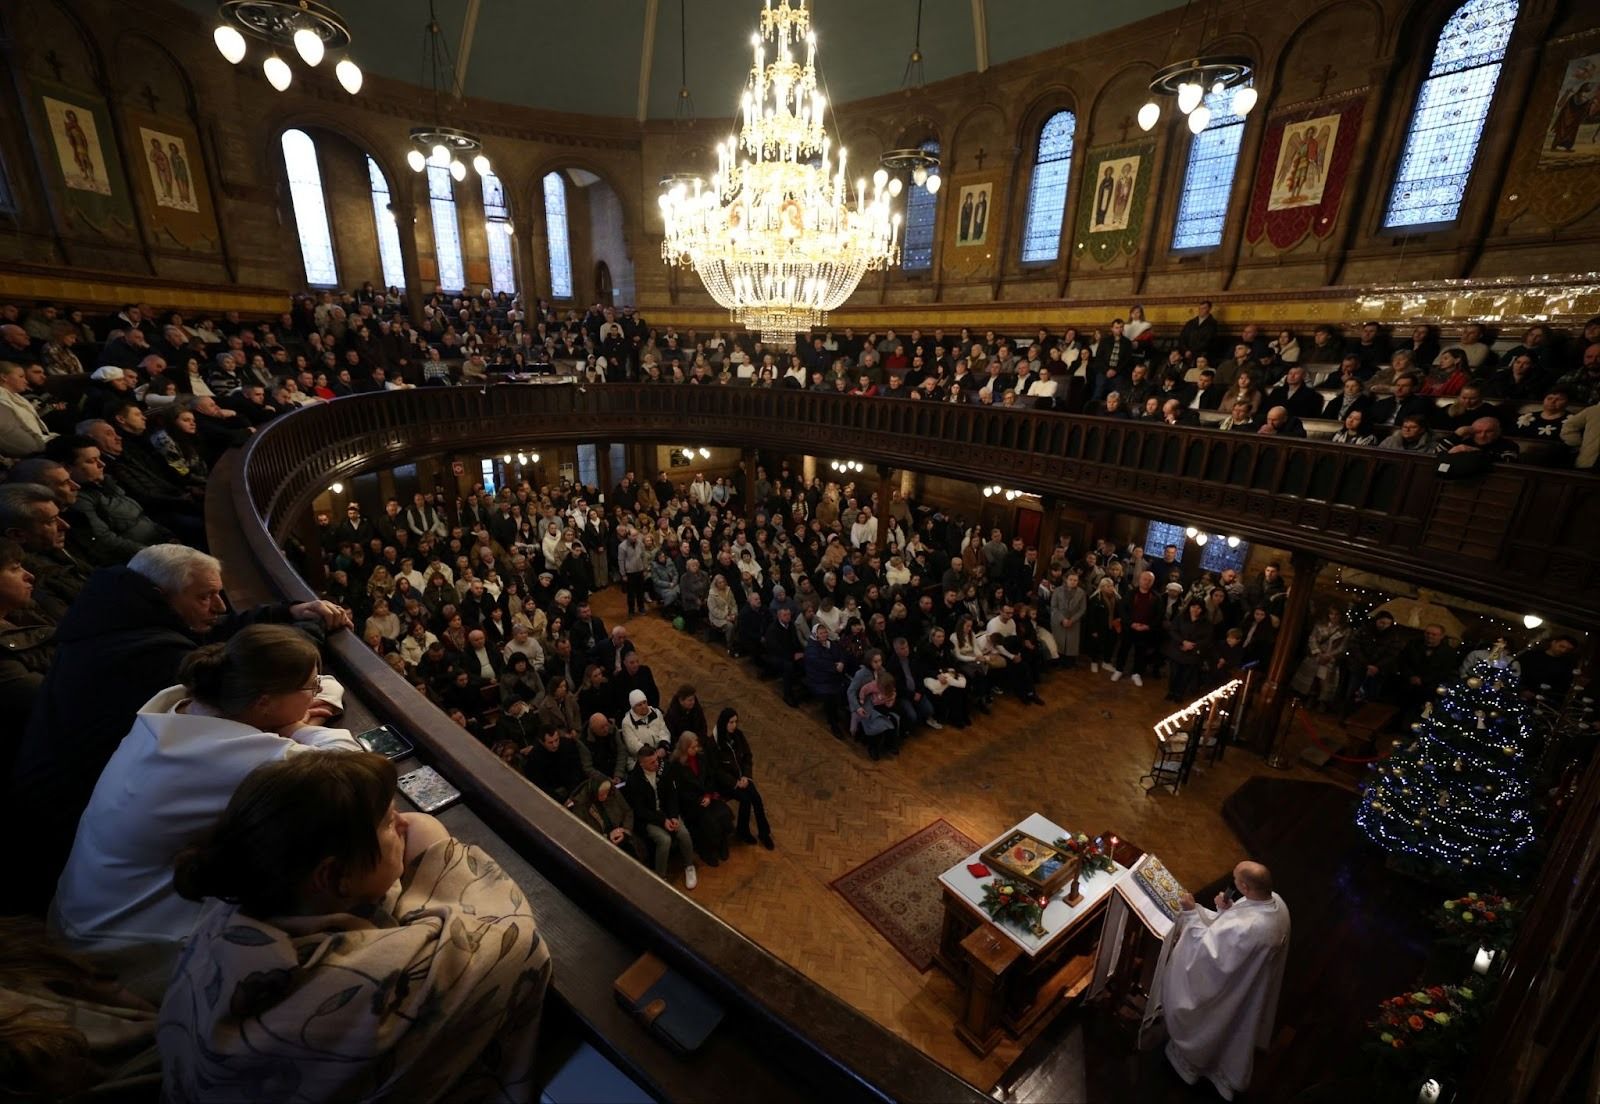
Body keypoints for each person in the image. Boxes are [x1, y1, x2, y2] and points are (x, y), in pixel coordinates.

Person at [159, 752, 550, 1102]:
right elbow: (508, 938)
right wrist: (441, 851)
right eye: (385, 822)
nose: (401, 823)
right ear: (333, 876)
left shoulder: (231, 911)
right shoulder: (368, 988)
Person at [10, 544, 349, 911]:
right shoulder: (153, 667)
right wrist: (302, 722)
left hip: (84, 866)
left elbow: (216, 641)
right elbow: (348, 775)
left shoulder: (122, 622)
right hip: (66, 840)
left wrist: (284, 612)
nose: (219, 607)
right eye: (206, 596)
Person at [52, 625, 360, 997]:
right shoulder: (243, 757)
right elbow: (356, 776)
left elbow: (327, 687)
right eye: (308, 688)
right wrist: (302, 728)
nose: (316, 691)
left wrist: (296, 714)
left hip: (79, 912)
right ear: (264, 703)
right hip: (127, 952)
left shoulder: (175, 705)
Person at [1142, 861, 1290, 1102]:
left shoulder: (1250, 927)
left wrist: (1190, 913)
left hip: (1227, 990)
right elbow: (1232, 939)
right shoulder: (1277, 903)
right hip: (1247, 984)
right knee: (1235, 1026)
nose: (1233, 884)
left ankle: (1194, 1061)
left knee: (1215, 1024)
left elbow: (1209, 955)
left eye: (1236, 880)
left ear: (1245, 886)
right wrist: (1226, 910)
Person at [625, 743, 699, 890]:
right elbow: (640, 810)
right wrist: (662, 821)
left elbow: (672, 795)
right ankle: (661, 876)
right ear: (641, 763)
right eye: (652, 762)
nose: (656, 764)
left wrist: (672, 816)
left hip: (667, 812)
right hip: (650, 818)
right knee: (664, 840)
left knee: (683, 833)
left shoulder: (663, 769)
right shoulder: (634, 780)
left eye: (657, 760)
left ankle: (689, 866)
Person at [705, 708, 772, 849]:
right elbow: (716, 771)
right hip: (725, 783)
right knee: (746, 800)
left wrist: (746, 776)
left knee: (757, 799)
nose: (734, 725)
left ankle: (764, 833)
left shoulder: (738, 735)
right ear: (724, 723)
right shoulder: (713, 744)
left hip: (742, 778)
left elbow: (747, 756)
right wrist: (735, 782)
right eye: (731, 722)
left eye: (736, 722)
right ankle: (743, 831)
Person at [667, 731, 733, 866]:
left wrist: (708, 794)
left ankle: (722, 843)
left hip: (707, 796)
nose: (696, 750)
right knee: (708, 821)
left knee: (724, 814)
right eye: (692, 747)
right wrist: (700, 799)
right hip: (692, 803)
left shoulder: (701, 757)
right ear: (684, 748)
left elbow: (710, 777)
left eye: (696, 746)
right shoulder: (676, 765)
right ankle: (706, 851)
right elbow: (680, 791)